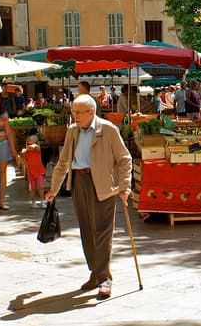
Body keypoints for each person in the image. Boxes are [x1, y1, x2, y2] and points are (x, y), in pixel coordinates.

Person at [45, 94, 132, 299]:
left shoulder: (108, 129)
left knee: (102, 231)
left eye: (78, 112)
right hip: (79, 183)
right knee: (86, 230)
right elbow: (64, 161)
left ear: (91, 112)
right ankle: (95, 272)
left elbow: (124, 159)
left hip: (102, 184)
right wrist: (54, 188)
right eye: (73, 111)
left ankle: (104, 279)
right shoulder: (73, 131)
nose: (74, 116)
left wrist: (124, 186)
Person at [20, 135, 47, 208]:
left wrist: (32, 146)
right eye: (28, 143)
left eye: (31, 143)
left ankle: (42, 201)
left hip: (39, 171)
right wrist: (22, 155)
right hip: (31, 173)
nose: (29, 145)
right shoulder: (26, 153)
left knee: (41, 187)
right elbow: (22, 162)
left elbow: (36, 147)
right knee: (33, 189)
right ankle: (33, 202)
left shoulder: (37, 150)